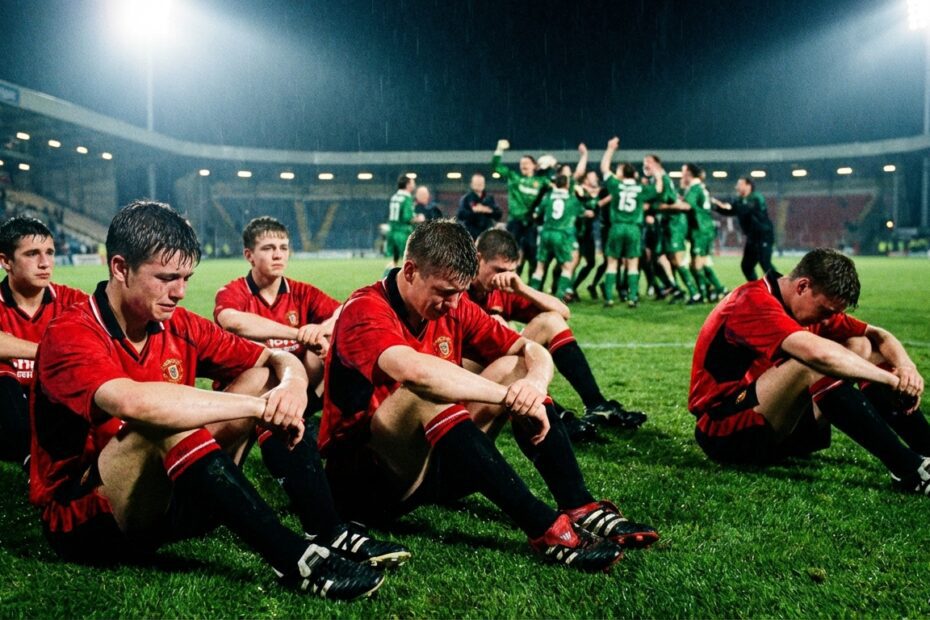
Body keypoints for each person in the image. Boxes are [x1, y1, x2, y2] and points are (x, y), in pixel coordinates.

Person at [30, 201, 407, 601]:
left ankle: (328, 528)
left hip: (167, 501)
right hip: (88, 519)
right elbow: (135, 402)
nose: (180, 292)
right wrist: (260, 409)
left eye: (187, 277)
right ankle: (295, 558)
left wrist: (291, 388)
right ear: (120, 268)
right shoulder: (71, 332)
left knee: (263, 379)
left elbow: (272, 358)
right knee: (164, 420)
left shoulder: (178, 322)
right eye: (166, 278)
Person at [320, 219, 658, 572]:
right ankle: (546, 529)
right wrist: (506, 396)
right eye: (445, 292)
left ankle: (579, 506)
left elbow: (530, 348)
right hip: (365, 483)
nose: (453, 305)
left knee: (515, 366)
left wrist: (534, 386)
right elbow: (415, 372)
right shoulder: (365, 307)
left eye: (459, 293)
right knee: (422, 392)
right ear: (410, 271)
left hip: (429, 467)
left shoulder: (457, 303)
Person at [689, 248, 929, 494]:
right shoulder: (752, 300)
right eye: (826, 311)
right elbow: (817, 355)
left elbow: (878, 335)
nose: (828, 318)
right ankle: (908, 470)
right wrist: (890, 380)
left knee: (862, 344)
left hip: (777, 425)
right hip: (724, 430)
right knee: (809, 364)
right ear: (802, 286)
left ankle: (926, 448)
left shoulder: (804, 303)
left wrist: (906, 368)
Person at [470, 228, 648, 429]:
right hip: (470, 373)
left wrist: (522, 289)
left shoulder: (500, 288)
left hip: (499, 362)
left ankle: (596, 405)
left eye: (512, 271)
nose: (505, 277)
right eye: (499, 270)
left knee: (551, 321)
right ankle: (558, 416)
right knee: (503, 334)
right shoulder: (457, 288)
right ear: (478, 259)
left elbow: (563, 312)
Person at [214, 216, 341, 415]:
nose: (278, 255)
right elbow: (232, 321)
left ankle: (306, 413)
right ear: (249, 255)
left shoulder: (302, 292)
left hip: (296, 383)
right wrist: (298, 334)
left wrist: (322, 329)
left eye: (283, 248)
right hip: (248, 387)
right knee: (261, 372)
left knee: (331, 338)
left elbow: (346, 311)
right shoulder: (233, 291)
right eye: (268, 248)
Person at [0, 216, 87, 465]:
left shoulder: (71, 301)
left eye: (49, 252)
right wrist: (47, 351)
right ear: (6, 261)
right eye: (32, 254)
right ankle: (34, 460)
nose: (45, 263)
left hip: (52, 405)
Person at [661, 164, 727, 302]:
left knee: (696, 266)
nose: (681, 174)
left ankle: (702, 294)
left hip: (700, 229)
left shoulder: (694, 188)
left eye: (683, 171)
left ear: (689, 173)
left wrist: (661, 207)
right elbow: (708, 201)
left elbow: (687, 206)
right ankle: (717, 290)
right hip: (704, 228)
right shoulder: (700, 187)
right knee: (700, 264)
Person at [492, 140, 549, 279]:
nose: (524, 165)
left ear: (534, 166)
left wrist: (551, 165)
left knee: (532, 254)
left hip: (531, 223)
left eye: (527, 163)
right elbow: (496, 166)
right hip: (515, 222)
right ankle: (511, 282)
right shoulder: (514, 178)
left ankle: (531, 285)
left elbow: (558, 184)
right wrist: (499, 149)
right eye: (522, 163)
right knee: (512, 254)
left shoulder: (542, 181)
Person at [528, 175, 586, 300]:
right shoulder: (572, 199)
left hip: (546, 233)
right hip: (561, 235)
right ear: (567, 184)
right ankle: (559, 298)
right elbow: (582, 213)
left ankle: (530, 298)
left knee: (540, 267)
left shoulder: (548, 197)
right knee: (567, 267)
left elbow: (536, 214)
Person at [712, 176, 776, 281]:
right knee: (747, 266)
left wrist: (727, 206)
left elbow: (745, 208)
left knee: (765, 264)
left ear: (748, 186)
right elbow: (730, 211)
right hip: (752, 237)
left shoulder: (756, 197)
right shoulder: (739, 200)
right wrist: (715, 207)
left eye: (739, 184)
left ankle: (781, 291)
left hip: (763, 235)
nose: (736, 187)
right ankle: (755, 290)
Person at [385, 175, 423, 272]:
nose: (414, 185)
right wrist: (419, 218)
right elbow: (407, 218)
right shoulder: (407, 198)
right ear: (408, 185)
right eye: (412, 182)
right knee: (408, 261)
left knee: (394, 261)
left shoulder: (395, 197)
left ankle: (385, 281)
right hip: (402, 232)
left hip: (392, 232)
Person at [457, 173, 502, 240]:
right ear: (471, 184)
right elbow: (460, 215)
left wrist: (487, 210)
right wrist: (474, 212)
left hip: (487, 234)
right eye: (477, 183)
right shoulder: (466, 198)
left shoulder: (489, 199)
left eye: (481, 183)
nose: (479, 185)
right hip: (470, 234)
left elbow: (498, 214)